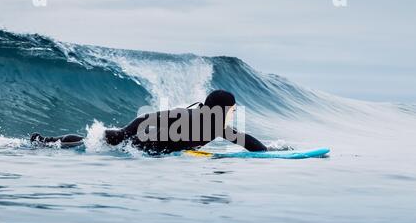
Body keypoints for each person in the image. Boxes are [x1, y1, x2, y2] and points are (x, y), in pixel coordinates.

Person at [30, 90, 268, 154]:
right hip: (141, 138)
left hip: (151, 147)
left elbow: (246, 141)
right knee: (86, 144)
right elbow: (150, 118)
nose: (234, 113)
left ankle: (47, 142)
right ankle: (47, 142)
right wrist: (126, 133)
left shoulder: (214, 125)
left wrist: (268, 151)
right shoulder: (196, 118)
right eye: (233, 110)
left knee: (86, 144)